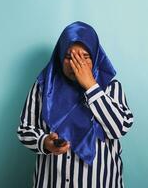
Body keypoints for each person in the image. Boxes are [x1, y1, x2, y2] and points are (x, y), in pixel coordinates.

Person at [17, 21, 134, 188]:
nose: (76, 64)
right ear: (59, 57)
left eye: (85, 57)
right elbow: (25, 129)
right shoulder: (43, 87)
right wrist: (45, 142)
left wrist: (91, 86)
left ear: (95, 56)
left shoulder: (110, 87)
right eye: (69, 56)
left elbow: (119, 128)